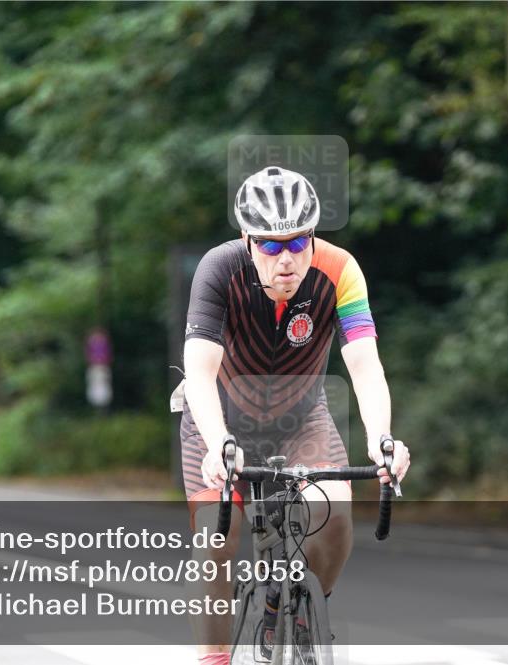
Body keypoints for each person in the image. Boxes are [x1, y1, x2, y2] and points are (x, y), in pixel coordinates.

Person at [179, 166, 410, 665]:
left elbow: (365, 367)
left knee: (335, 516)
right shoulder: (218, 269)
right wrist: (219, 441)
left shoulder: (341, 270)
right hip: (219, 417)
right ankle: (213, 658)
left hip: (301, 419)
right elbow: (199, 373)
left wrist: (382, 439)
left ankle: (306, 614)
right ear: (247, 240)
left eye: (298, 241)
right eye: (269, 246)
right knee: (217, 539)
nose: (286, 259)